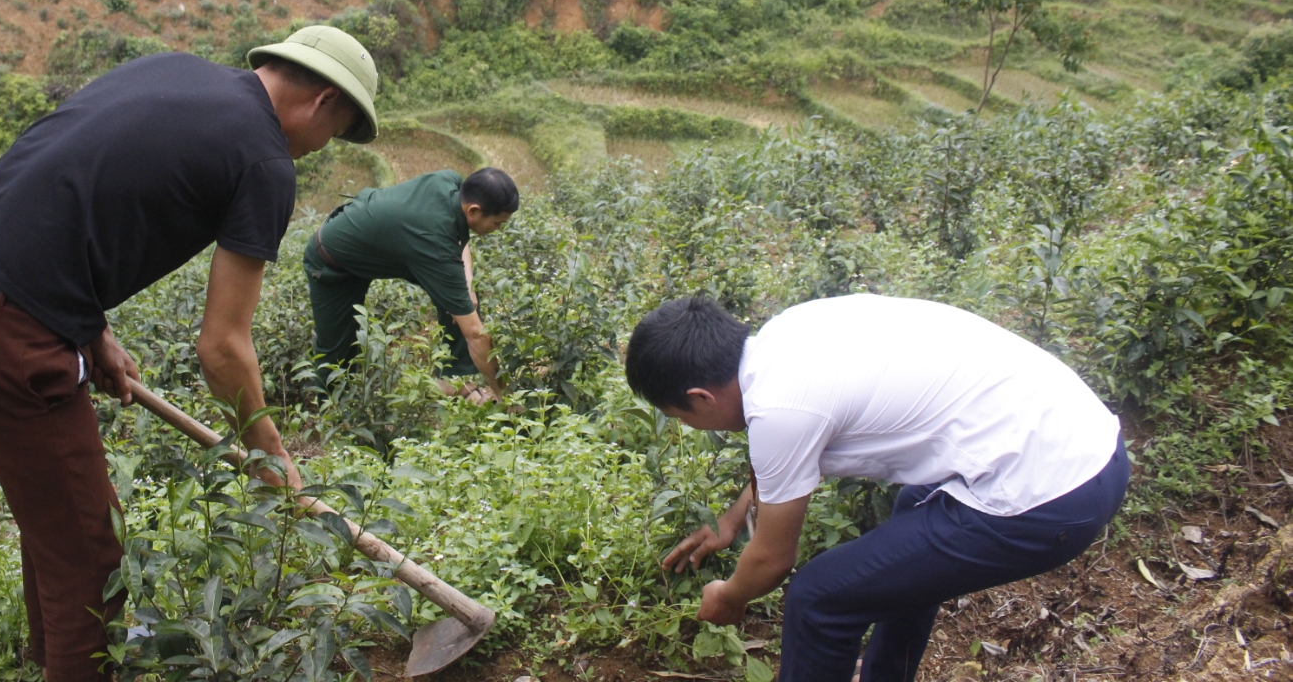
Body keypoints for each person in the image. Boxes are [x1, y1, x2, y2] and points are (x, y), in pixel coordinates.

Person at [0, 25, 380, 682]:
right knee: (89, 553)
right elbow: (222, 348)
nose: (319, 148)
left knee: (60, 513)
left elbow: (60, 179)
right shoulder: (264, 161)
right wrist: (269, 452)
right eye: (336, 131)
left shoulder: (178, 70)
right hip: (9, 328)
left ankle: (49, 660)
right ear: (324, 102)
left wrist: (90, 330)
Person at [625, 293, 1128, 682]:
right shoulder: (785, 339)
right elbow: (787, 453)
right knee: (913, 516)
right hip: (1086, 442)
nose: (691, 426)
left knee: (819, 599)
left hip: (1052, 496)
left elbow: (773, 559)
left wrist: (729, 594)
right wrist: (733, 522)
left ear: (699, 397)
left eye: (680, 417)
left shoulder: (780, 411)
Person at [304, 166, 518, 400]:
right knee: (336, 351)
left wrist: (467, 281)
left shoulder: (450, 182)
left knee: (462, 297)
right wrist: (505, 396)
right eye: (497, 223)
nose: (498, 229)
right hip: (331, 262)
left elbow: (457, 237)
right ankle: (331, 413)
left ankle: (450, 379)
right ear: (474, 211)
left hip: (387, 245)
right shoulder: (433, 241)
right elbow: (476, 335)